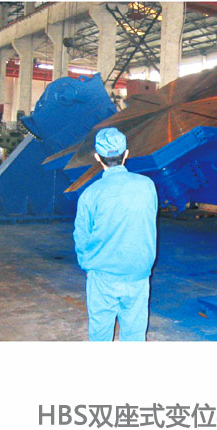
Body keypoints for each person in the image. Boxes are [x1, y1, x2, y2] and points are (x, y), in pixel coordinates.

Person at [73, 127, 158, 341]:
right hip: (138, 273)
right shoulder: (147, 186)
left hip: (103, 274)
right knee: (134, 334)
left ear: (97, 157)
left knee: (100, 333)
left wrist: (87, 264)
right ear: (126, 154)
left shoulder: (90, 194)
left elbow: (81, 237)